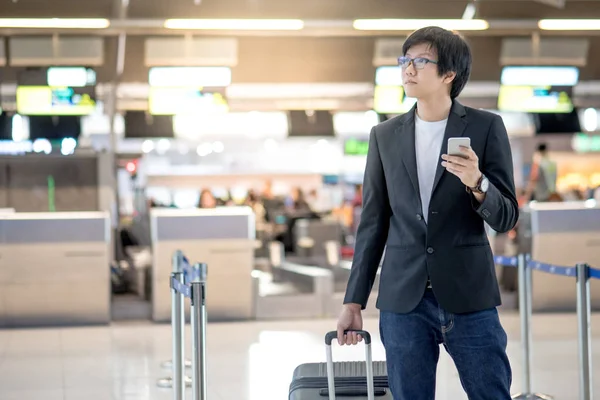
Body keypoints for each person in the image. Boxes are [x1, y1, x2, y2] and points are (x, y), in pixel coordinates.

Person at [336, 26, 519, 400]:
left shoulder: (486, 128)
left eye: (420, 61)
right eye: (405, 60)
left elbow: (507, 217)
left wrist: (477, 181)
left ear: (449, 73)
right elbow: (372, 224)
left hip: (470, 296)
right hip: (404, 301)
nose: (408, 70)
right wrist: (353, 301)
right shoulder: (384, 135)